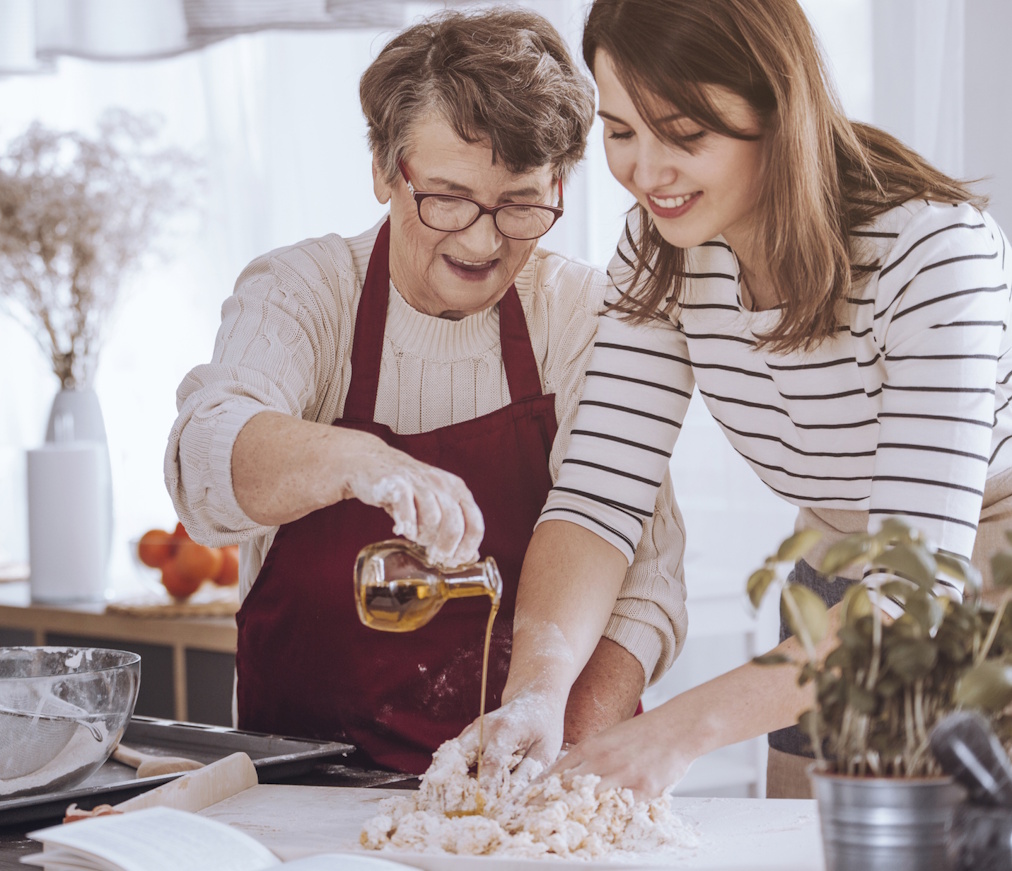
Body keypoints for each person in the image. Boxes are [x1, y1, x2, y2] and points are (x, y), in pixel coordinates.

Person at [473, 0, 1012, 799]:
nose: (647, 174)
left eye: (685, 135)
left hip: (976, 581)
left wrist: (676, 727)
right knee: (804, 841)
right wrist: (539, 690)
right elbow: (597, 499)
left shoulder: (934, 253)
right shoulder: (660, 248)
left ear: (779, 107)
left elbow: (911, 592)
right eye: (621, 133)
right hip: (838, 574)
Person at [164, 8, 687, 775]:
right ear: (384, 167)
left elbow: (644, 581)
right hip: (312, 803)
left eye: (519, 203)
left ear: (559, 184)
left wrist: (554, 762)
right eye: (446, 197)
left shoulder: (584, 314)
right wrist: (359, 461)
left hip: (533, 799)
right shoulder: (305, 292)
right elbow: (204, 466)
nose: (480, 241)